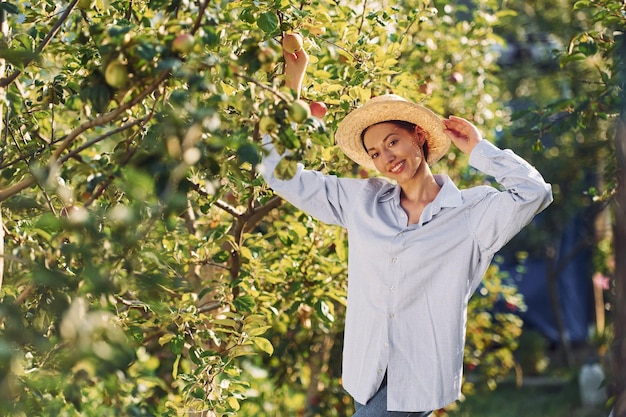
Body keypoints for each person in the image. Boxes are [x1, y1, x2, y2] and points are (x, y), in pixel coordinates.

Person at [258, 43, 553, 416]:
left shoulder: (471, 216)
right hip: (366, 375)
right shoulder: (362, 202)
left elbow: (534, 192)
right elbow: (281, 175)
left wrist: (479, 149)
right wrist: (291, 93)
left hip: (417, 380)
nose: (387, 158)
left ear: (418, 136)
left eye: (392, 141)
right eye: (376, 152)